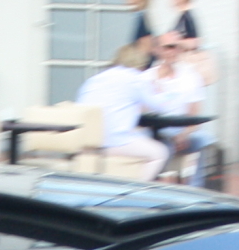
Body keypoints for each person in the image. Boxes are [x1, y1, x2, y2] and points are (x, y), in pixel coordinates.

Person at [77, 41, 169, 181]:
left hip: (86, 142)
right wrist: (159, 90)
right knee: (160, 153)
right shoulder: (135, 79)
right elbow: (160, 106)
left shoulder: (94, 79)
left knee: (143, 134)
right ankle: (138, 187)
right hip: (113, 142)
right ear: (141, 64)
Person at [146, 32, 213, 182]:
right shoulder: (147, 77)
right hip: (156, 133)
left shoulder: (191, 76)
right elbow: (141, 111)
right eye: (168, 47)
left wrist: (184, 134)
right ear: (158, 50)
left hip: (183, 132)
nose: (173, 52)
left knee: (206, 140)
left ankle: (197, 190)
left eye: (177, 47)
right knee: (159, 147)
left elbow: (194, 115)